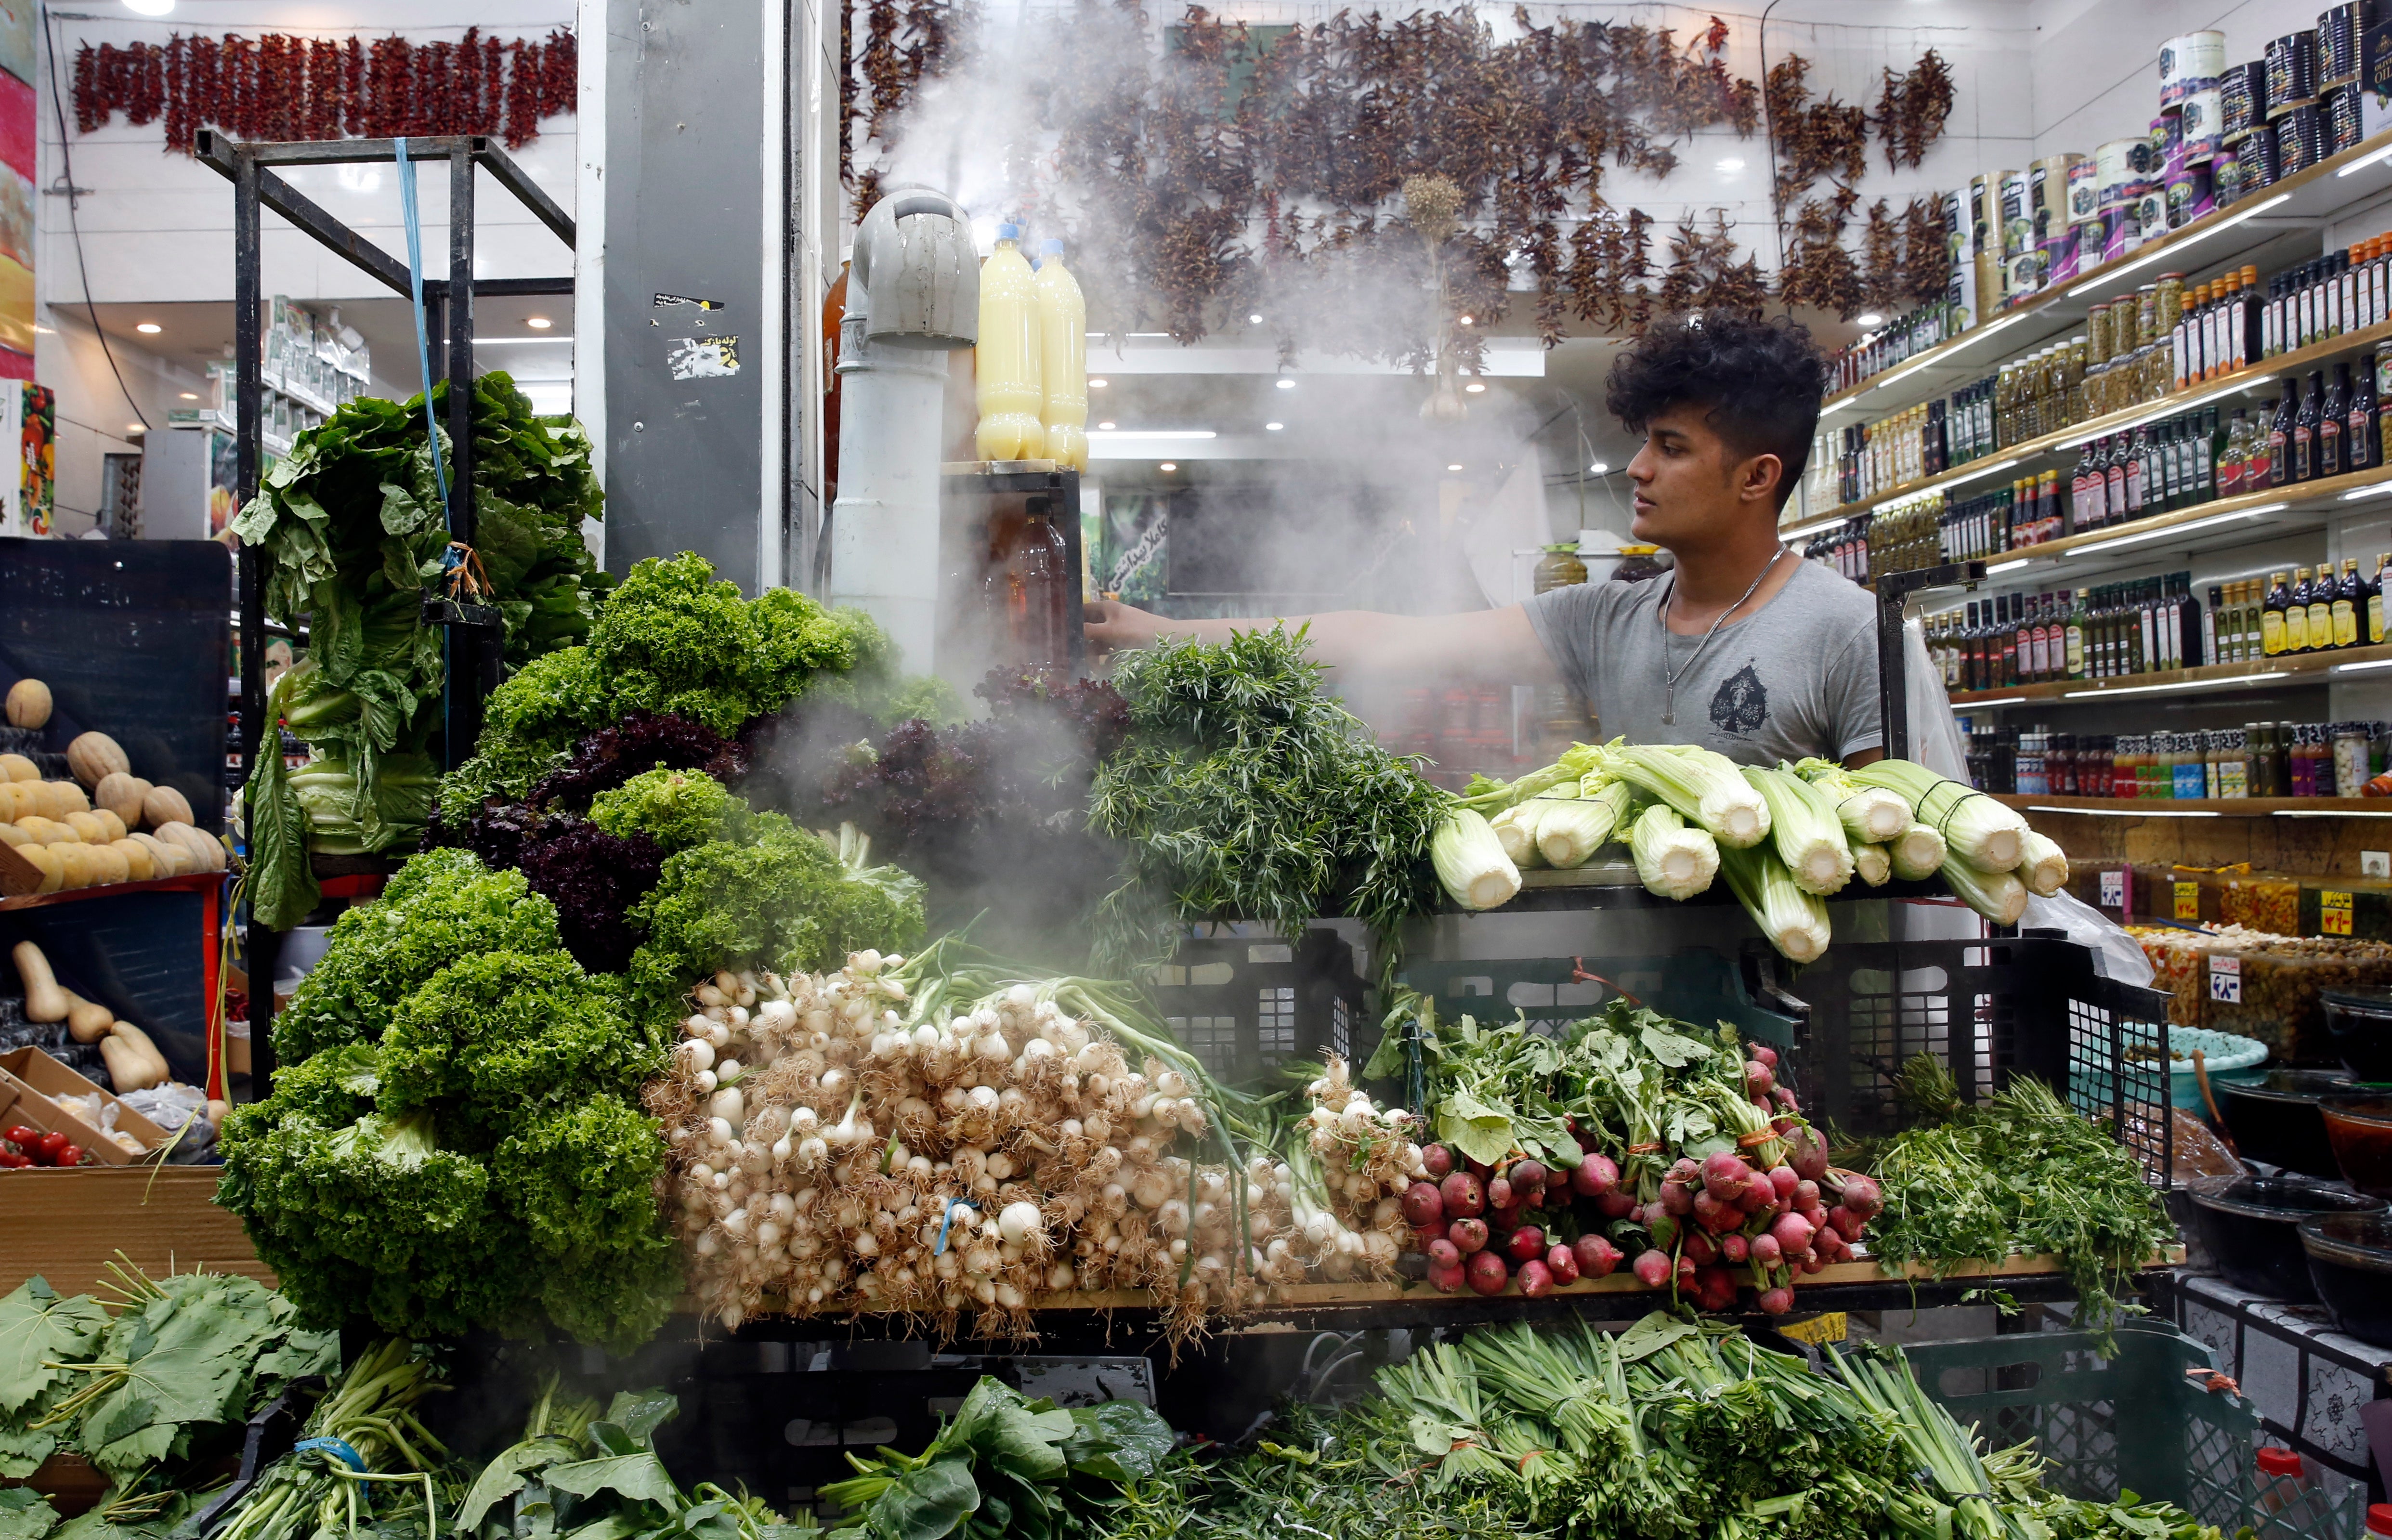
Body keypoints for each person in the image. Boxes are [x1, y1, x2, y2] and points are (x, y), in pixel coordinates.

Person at [1083, 312, 1883, 769]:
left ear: (1757, 476)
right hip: (1655, 1013)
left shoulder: (1847, 632)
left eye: (1671, 449)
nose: (1637, 468)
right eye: (1645, 441)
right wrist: (1155, 633)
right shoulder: (1609, 621)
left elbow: (1912, 855)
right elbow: (1373, 638)